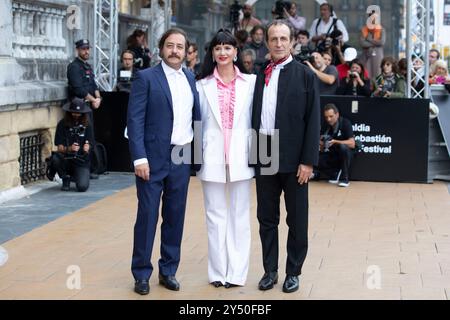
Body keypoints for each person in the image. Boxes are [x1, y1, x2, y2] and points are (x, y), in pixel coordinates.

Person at [127, 28, 201, 295]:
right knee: (147, 216)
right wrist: (139, 158)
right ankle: (142, 273)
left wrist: (197, 158)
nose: (175, 51)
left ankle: (168, 270)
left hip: (181, 155)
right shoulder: (146, 77)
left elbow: (196, 119)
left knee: (175, 216)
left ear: (186, 51)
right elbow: (134, 120)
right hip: (152, 157)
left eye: (180, 47)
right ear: (161, 48)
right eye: (170, 45)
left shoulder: (191, 78)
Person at [251, 20, 320, 293]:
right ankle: (270, 270)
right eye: (273, 39)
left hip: (294, 157)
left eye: (283, 38)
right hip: (263, 152)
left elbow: (313, 120)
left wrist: (308, 161)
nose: (278, 43)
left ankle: (294, 271)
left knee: (297, 218)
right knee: (267, 218)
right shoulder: (257, 74)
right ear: (267, 42)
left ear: (291, 41)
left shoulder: (305, 75)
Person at [196, 29, 256, 289]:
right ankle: (218, 272)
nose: (222, 52)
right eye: (218, 48)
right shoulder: (201, 84)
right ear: (212, 53)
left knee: (240, 216)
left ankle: (237, 273)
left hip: (243, 157)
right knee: (215, 216)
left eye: (228, 48)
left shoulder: (252, 83)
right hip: (211, 158)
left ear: (236, 52)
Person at [67, 39, 101, 179]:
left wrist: (98, 98)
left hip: (88, 106)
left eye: (88, 48)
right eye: (83, 49)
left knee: (90, 136)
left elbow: (93, 84)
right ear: (77, 50)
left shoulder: (87, 66)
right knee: (79, 137)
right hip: (78, 107)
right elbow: (78, 88)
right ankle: (81, 170)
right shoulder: (74, 67)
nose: (86, 51)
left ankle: (91, 168)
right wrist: (93, 99)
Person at [46, 98, 94, 192]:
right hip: (66, 158)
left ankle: (77, 176)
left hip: (81, 160)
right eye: (74, 112)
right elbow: (59, 147)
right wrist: (69, 148)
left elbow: (91, 143)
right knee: (55, 158)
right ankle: (65, 178)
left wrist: (87, 147)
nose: (76, 115)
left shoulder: (87, 125)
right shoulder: (62, 124)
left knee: (82, 187)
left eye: (78, 113)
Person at [315, 103, 355, 187]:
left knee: (343, 147)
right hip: (332, 154)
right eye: (326, 117)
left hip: (345, 154)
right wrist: (321, 143)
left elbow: (352, 144)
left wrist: (335, 141)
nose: (328, 119)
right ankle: (334, 174)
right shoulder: (325, 125)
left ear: (337, 115)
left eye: (331, 116)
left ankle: (345, 179)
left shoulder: (345, 123)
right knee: (315, 158)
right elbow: (322, 148)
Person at [360, 11, 385, 79]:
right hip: (366, 55)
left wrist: (369, 40)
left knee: (378, 73)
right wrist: (375, 43)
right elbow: (362, 43)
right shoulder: (364, 29)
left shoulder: (381, 29)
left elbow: (382, 42)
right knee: (367, 74)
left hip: (378, 55)